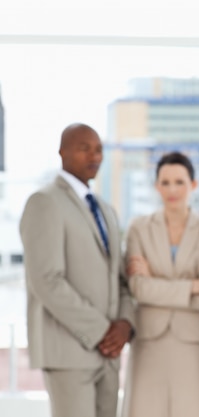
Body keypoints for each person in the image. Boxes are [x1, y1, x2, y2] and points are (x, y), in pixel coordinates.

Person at [19, 123, 135, 417]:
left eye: (99, 149)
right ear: (62, 152)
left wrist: (124, 325)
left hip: (108, 354)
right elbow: (46, 280)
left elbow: (120, 278)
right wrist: (101, 331)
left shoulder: (105, 209)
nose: (94, 156)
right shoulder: (44, 203)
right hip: (69, 352)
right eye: (84, 148)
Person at [121, 151, 199, 417]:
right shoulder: (138, 229)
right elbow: (138, 288)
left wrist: (155, 281)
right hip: (149, 341)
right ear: (156, 187)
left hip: (193, 344)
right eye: (165, 182)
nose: (172, 190)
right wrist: (193, 286)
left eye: (179, 182)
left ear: (194, 185)